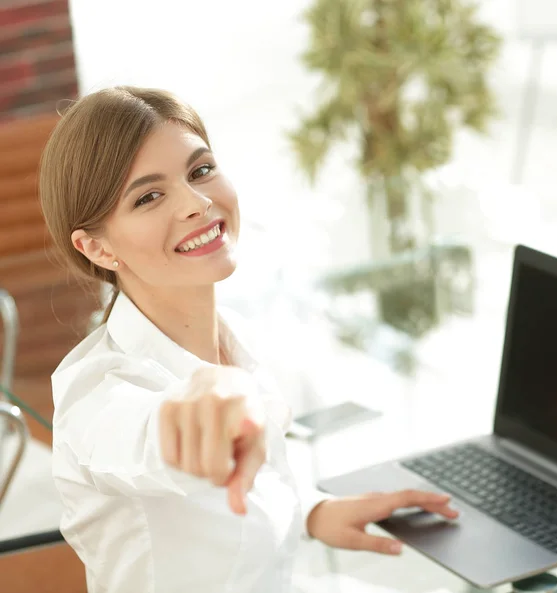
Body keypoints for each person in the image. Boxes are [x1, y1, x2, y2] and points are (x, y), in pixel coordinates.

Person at [39, 86, 458, 593]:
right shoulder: (98, 394)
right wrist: (219, 395)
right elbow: (148, 436)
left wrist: (314, 510)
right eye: (149, 196)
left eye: (200, 171)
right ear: (97, 248)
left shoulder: (238, 338)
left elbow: (227, 505)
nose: (196, 203)